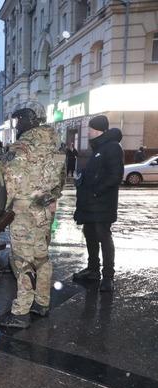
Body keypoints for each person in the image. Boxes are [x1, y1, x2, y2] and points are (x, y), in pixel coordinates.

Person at [0, 103, 66, 329]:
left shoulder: (22, 147)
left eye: (19, 120)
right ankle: (42, 302)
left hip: (23, 213)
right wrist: (51, 198)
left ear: (29, 118)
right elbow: (61, 178)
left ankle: (20, 312)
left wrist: (1, 213)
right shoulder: (55, 144)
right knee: (42, 258)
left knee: (22, 261)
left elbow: (9, 185)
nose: (17, 125)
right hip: (44, 210)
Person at [72, 115, 124, 292]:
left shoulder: (112, 148)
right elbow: (95, 173)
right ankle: (93, 269)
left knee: (104, 237)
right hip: (91, 204)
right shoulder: (99, 148)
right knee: (90, 235)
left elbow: (115, 176)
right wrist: (82, 180)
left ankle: (108, 276)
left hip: (102, 203)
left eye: (90, 129)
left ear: (97, 130)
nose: (88, 132)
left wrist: (95, 191)